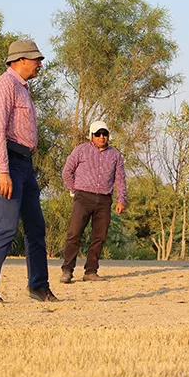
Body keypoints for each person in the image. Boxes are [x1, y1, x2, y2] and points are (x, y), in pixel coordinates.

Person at [0, 40, 57, 302]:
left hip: (24, 163)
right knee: (6, 226)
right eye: (36, 60)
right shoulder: (5, 85)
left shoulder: (23, 89)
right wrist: (3, 171)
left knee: (36, 226)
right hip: (7, 161)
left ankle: (38, 287)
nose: (40, 64)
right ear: (20, 60)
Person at [60, 121, 127, 283]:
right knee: (74, 234)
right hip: (83, 198)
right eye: (98, 134)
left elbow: (120, 179)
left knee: (99, 236)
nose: (101, 137)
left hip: (104, 200)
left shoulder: (115, 155)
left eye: (104, 134)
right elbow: (67, 172)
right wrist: (73, 189)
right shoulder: (80, 150)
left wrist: (121, 200)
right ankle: (67, 270)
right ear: (91, 136)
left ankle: (91, 270)